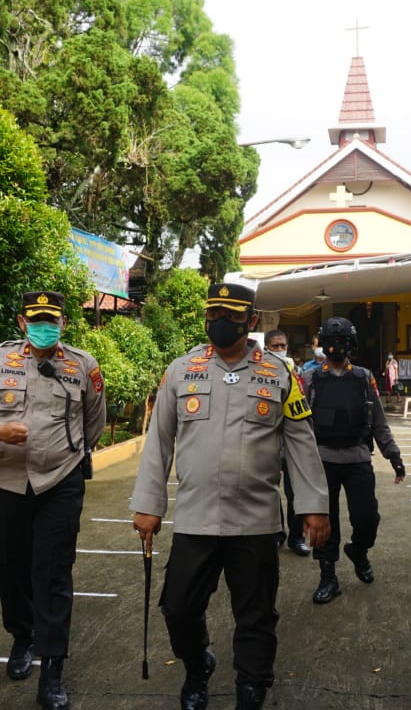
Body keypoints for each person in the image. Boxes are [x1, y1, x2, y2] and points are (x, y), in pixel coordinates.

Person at [132, 283, 330, 710]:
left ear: (251, 321)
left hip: (255, 519)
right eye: (214, 314)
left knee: (256, 616)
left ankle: (251, 688)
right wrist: (148, 504)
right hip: (195, 518)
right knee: (179, 608)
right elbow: (158, 441)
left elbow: (300, 442)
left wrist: (313, 506)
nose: (221, 322)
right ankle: (197, 666)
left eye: (232, 315)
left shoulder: (280, 373)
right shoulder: (182, 370)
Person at [0, 291, 106, 710]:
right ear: (22, 322)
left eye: (52, 320)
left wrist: (69, 452)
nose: (45, 326)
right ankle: (22, 637)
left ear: (63, 324)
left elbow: (95, 420)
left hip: (61, 482)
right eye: (37, 319)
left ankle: (53, 666)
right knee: (12, 564)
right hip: (8, 480)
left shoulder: (83, 365)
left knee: (54, 571)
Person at [301, 317, 405, 604]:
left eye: (343, 341)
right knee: (324, 523)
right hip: (321, 460)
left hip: (357, 457)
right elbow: (298, 425)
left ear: (352, 345)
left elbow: (378, 421)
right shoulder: (309, 378)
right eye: (331, 341)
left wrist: (393, 455)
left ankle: (359, 551)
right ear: (322, 343)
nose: (336, 347)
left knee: (367, 518)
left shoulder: (363, 377)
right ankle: (328, 576)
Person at [265, 328, 310, 557]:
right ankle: (276, 534)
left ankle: (296, 537)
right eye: (275, 346)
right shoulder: (260, 374)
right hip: (269, 443)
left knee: (295, 493)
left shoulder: (297, 372)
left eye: (283, 346)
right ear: (266, 348)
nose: (280, 350)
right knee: (270, 492)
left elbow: (304, 408)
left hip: (291, 444)